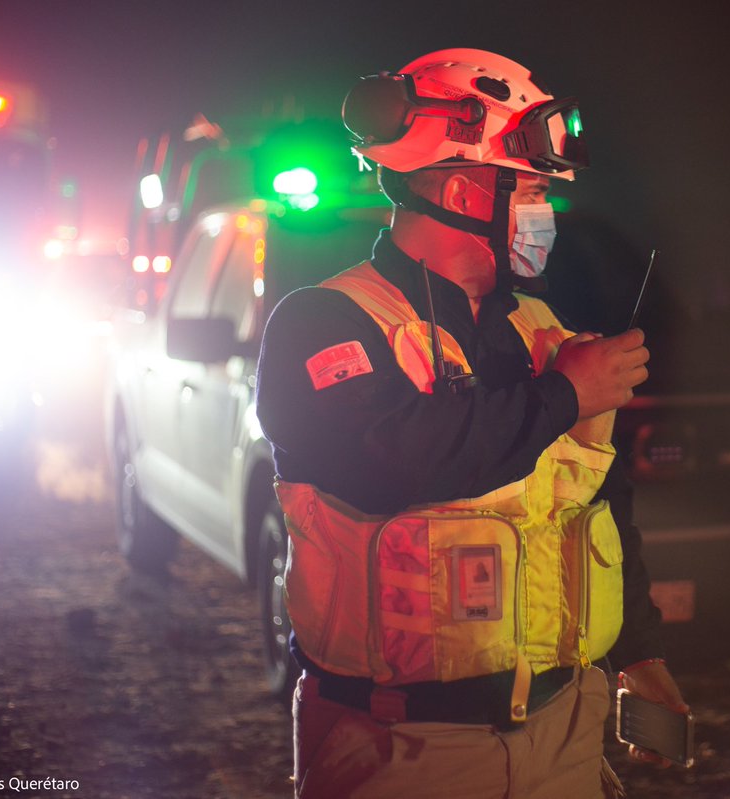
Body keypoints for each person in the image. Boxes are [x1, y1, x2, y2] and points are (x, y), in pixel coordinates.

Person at [255, 48, 686, 798]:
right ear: (460, 189)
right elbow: (392, 459)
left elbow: (596, 505)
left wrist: (640, 653)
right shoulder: (322, 323)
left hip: (565, 733)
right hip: (406, 747)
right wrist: (561, 398)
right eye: (529, 191)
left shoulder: (542, 331)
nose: (544, 213)